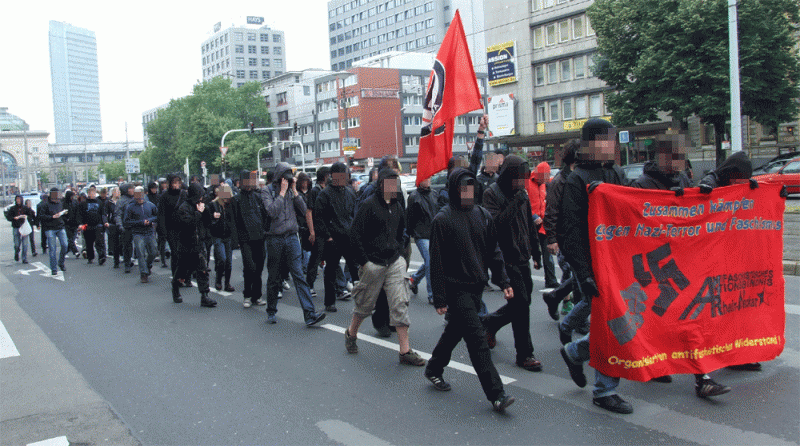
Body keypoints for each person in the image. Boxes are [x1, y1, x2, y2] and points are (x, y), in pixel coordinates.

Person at [425, 167, 517, 412]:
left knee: (455, 331)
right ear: (454, 189)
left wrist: (504, 281)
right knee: (478, 341)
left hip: (476, 286)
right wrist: (440, 298)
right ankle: (496, 394)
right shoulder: (442, 220)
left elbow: (494, 252)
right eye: (462, 188)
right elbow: (436, 262)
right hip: (456, 290)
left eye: (470, 187)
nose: (467, 192)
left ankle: (433, 368)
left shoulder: (482, 215)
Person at [556, 118, 632, 414]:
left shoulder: (617, 173)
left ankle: (575, 351)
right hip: (596, 264)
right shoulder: (578, 179)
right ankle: (604, 390)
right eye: (605, 140)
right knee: (613, 323)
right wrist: (584, 273)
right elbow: (570, 231)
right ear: (590, 143)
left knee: (623, 320)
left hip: (621, 260)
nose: (611, 145)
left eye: (613, 140)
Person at [344, 168, 425, 366]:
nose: (393, 188)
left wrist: (399, 249)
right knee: (365, 304)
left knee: (400, 303)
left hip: (394, 262)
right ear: (380, 185)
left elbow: (402, 231)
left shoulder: (397, 206)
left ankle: (405, 351)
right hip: (373, 264)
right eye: (389, 183)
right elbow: (355, 236)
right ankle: (351, 333)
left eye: (396, 184)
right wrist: (365, 262)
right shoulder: (368, 205)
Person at [482, 155, 544, 372]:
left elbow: (528, 224)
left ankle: (491, 323)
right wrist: (515, 202)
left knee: (521, 303)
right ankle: (525, 354)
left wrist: (536, 252)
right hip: (504, 258)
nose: (521, 183)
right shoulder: (492, 194)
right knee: (521, 304)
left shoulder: (522, 194)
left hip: (523, 255)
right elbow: (494, 226)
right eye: (518, 178)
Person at [262, 163, 327, 326]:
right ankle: (271, 311)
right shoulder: (267, 190)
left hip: (292, 237)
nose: (288, 180)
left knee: (298, 275)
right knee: (274, 276)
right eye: (285, 176)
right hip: (274, 238)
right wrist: (282, 193)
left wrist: (295, 192)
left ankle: (310, 314)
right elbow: (272, 211)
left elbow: (305, 209)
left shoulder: (292, 191)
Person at [542, 140, 583, 320]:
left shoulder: (582, 176)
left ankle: (556, 297)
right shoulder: (560, 180)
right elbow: (551, 210)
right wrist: (552, 238)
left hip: (580, 234)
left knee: (580, 275)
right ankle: (575, 318)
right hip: (565, 236)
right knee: (577, 274)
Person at [315, 162, 360, 313]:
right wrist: (327, 237)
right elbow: (319, 218)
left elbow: (354, 214)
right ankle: (329, 302)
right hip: (332, 238)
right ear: (333, 176)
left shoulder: (349, 192)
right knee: (331, 270)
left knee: (355, 269)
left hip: (348, 236)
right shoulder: (324, 194)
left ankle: (362, 301)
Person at [172, 183, 217, 307]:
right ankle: (175, 287)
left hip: (199, 243)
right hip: (186, 244)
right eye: (199, 196)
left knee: (203, 270)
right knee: (182, 271)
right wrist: (198, 212)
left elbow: (207, 223)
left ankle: (204, 296)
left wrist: (207, 212)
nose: (201, 198)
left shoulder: (201, 206)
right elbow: (188, 225)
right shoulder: (183, 208)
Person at [231, 170, 269, 308]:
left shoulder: (258, 197)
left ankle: (257, 296)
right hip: (245, 238)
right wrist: (236, 241)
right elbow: (233, 222)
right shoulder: (236, 200)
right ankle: (247, 294)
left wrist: (265, 230)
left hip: (259, 236)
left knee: (259, 267)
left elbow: (265, 215)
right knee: (249, 267)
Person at [406, 177, 439, 304]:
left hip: (434, 233)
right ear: (420, 181)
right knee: (430, 260)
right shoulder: (414, 196)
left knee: (431, 260)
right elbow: (409, 217)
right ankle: (432, 294)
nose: (429, 180)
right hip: (420, 234)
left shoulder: (434, 194)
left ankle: (414, 279)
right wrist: (409, 234)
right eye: (427, 178)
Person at [528, 161, 559, 289]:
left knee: (548, 253)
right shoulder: (526, 183)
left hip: (542, 224)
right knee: (525, 254)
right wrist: (533, 216)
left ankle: (551, 280)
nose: (546, 179)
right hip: (530, 224)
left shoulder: (545, 184)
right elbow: (522, 202)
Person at [124, 186, 159, 282]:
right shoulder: (130, 207)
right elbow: (127, 221)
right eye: (136, 194)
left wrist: (150, 221)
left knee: (153, 251)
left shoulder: (150, 205)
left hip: (149, 231)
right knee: (140, 253)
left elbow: (157, 216)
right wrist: (140, 222)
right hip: (138, 233)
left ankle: (148, 265)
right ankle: (144, 273)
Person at [207, 183, 235, 292]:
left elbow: (233, 220)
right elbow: (207, 220)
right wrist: (213, 218)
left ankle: (227, 283)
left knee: (229, 261)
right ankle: (218, 280)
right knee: (222, 259)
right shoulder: (213, 205)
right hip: (217, 235)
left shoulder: (230, 206)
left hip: (228, 235)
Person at [158, 174, 185, 277]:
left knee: (184, 253)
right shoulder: (165, 196)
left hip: (183, 228)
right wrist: (163, 231)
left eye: (178, 182)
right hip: (171, 229)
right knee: (175, 253)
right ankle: (176, 276)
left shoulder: (183, 194)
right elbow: (161, 214)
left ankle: (184, 275)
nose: (176, 184)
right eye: (174, 182)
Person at [39, 188, 69, 275]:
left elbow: (63, 211)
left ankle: (61, 262)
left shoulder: (60, 203)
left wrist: (64, 214)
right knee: (52, 249)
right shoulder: (45, 205)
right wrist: (52, 217)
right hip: (50, 228)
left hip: (60, 226)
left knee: (65, 245)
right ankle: (54, 268)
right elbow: (41, 216)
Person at [77, 185, 107, 265]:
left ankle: (101, 257)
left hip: (98, 225)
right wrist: (80, 224)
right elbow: (80, 215)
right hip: (87, 225)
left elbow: (103, 213)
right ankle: (90, 257)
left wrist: (104, 222)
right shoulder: (83, 203)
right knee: (89, 243)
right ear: (88, 194)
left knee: (99, 242)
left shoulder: (99, 202)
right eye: (91, 193)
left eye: (94, 193)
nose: (92, 194)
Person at [5, 194, 34, 263]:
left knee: (25, 244)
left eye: (19, 199)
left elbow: (31, 216)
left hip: (24, 227)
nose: (18, 200)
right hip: (16, 227)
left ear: (21, 200)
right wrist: (13, 218)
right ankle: (16, 253)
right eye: (17, 199)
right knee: (17, 244)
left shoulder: (25, 208)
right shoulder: (12, 208)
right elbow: (8, 217)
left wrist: (25, 217)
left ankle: (24, 258)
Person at [115, 183, 136, 273]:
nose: (133, 190)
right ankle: (127, 263)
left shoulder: (136, 198)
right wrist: (120, 225)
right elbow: (118, 214)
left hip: (137, 225)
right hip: (126, 226)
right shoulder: (121, 201)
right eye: (131, 189)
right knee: (127, 246)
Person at [104, 187, 122, 268]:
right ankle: (116, 261)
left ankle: (125, 258)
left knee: (122, 242)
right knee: (115, 243)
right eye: (118, 192)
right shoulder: (109, 202)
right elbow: (105, 213)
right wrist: (106, 222)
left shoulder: (121, 201)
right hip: (113, 224)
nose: (119, 193)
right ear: (113, 193)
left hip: (121, 223)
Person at [62, 189, 80, 258]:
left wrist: (78, 221)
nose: (73, 197)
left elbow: (78, 212)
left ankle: (65, 251)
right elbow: (62, 213)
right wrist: (66, 219)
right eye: (72, 196)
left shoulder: (75, 202)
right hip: (67, 223)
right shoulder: (64, 203)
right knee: (70, 239)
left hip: (75, 223)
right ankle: (76, 252)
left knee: (72, 238)